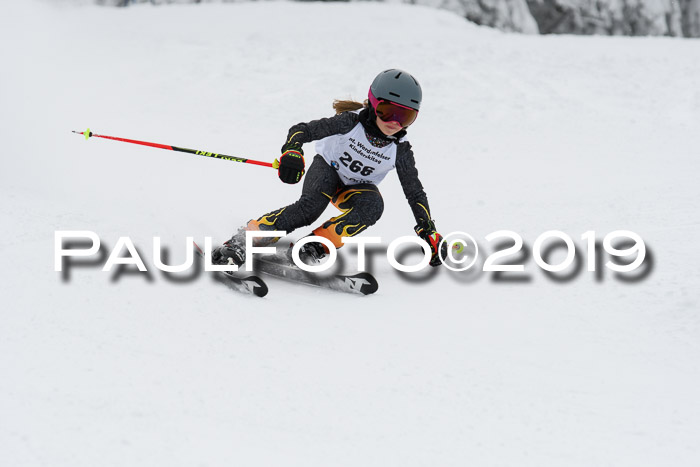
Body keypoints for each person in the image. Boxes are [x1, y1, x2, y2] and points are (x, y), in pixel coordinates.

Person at [212, 69, 447, 268]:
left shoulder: (401, 150)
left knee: (373, 205)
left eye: (405, 116)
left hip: (354, 187)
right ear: (374, 104)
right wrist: (292, 152)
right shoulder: (350, 122)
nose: (394, 122)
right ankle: (241, 242)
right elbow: (302, 129)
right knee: (310, 209)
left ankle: (313, 247)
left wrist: (428, 230)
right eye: (388, 111)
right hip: (327, 170)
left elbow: (414, 192)